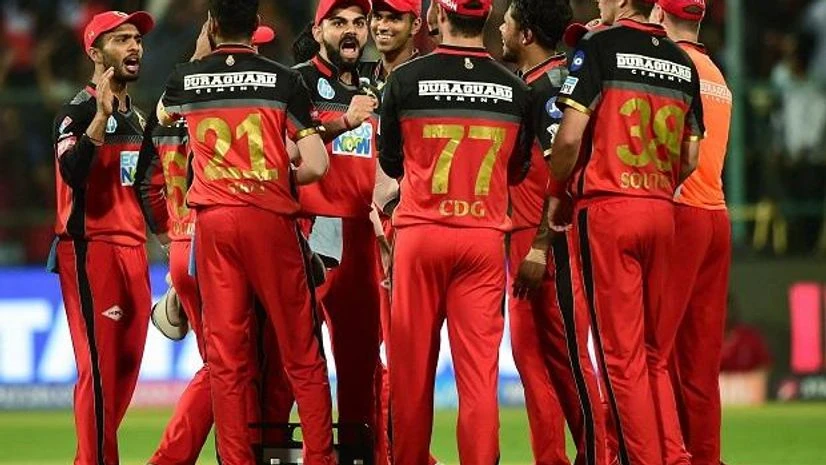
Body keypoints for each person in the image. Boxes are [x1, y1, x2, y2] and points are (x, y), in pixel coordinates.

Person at [156, 0, 335, 463]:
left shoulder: (183, 81)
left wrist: (200, 54)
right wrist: (276, 175)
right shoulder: (284, 80)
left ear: (212, 25)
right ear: (257, 25)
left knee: (228, 359)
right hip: (269, 219)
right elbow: (317, 164)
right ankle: (319, 457)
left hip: (213, 225)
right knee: (301, 352)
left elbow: (162, 116)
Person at [546, 0, 704, 464]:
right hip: (661, 210)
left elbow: (570, 136)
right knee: (654, 355)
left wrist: (558, 191)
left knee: (621, 358)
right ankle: (672, 457)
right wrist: (656, 186)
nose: (597, 4)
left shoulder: (599, 46)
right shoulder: (681, 60)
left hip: (609, 209)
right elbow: (691, 157)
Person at [379, 0, 533, 463]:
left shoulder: (404, 81)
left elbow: (390, 163)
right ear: (485, 18)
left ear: (439, 17)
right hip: (483, 238)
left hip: (421, 234)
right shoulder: (515, 89)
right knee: (479, 379)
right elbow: (519, 169)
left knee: (411, 377)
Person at [139, 23, 279, 465]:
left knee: (232, 364)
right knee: (226, 367)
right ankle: (172, 458)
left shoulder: (172, 106)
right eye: (254, 44)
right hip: (219, 243)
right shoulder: (235, 107)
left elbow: (147, 185)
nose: (256, 52)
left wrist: (170, 239)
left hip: (187, 244)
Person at [49, 10, 166, 465]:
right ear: (96, 53)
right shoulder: (76, 111)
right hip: (89, 248)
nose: (134, 47)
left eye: (136, 39)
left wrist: (172, 244)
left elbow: (145, 189)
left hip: (133, 251)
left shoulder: (136, 117)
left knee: (125, 370)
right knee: (97, 372)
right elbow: (72, 172)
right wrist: (98, 120)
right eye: (121, 40)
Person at [500, 1, 607, 464]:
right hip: (524, 238)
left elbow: (561, 170)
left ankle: (602, 455)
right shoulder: (531, 85)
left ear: (524, 35)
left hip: (549, 241)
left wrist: (542, 244)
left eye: (507, 21)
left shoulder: (549, 90)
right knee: (532, 362)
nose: (500, 28)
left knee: (569, 360)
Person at [292, 0, 382, 445]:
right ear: (318, 29)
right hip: (307, 233)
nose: (351, 31)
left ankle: (357, 456)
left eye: (358, 23)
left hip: (363, 237)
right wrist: (343, 123)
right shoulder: (297, 82)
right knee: (295, 361)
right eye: (339, 23)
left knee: (360, 366)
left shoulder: (377, 87)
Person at [650, 1, 732, 464]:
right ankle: (706, 457)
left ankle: (665, 456)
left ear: (660, 17)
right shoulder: (717, 75)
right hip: (716, 214)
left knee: (652, 352)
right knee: (700, 364)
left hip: (680, 211)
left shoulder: (670, 67)